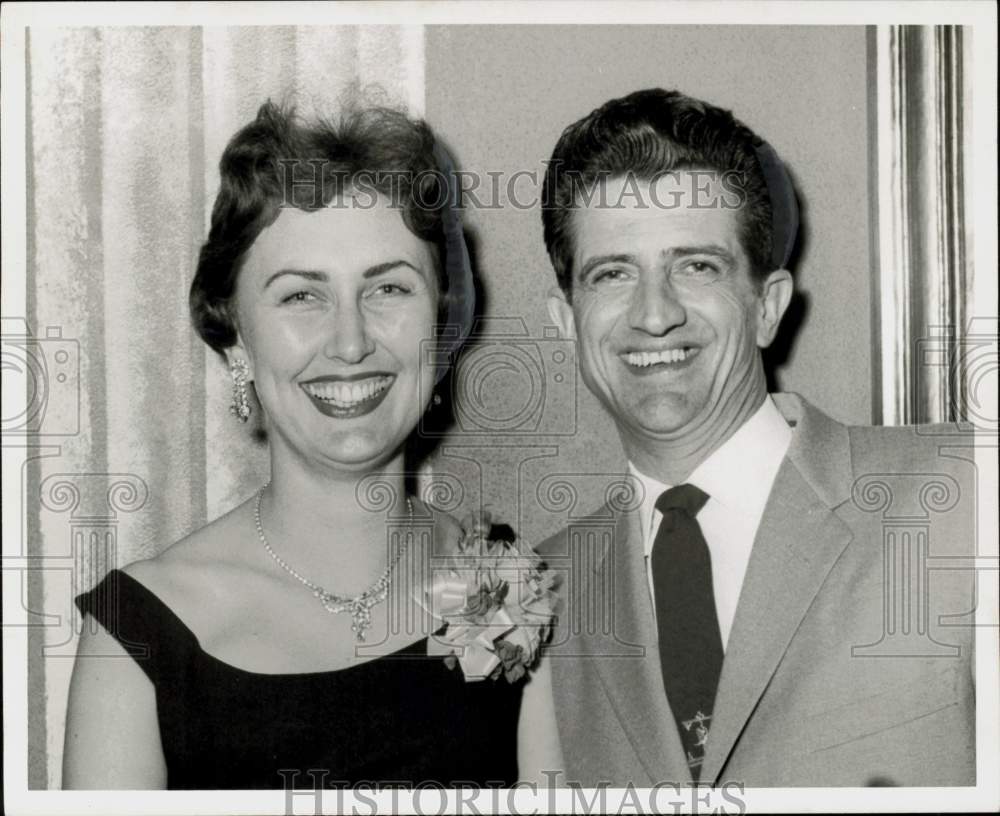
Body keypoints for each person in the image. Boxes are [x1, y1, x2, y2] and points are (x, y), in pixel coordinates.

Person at [62, 100, 561, 789]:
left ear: (440, 328)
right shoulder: (139, 636)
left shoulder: (509, 585)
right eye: (301, 297)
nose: (351, 342)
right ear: (234, 335)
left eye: (388, 287)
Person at [538, 88, 975, 787]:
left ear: (766, 305)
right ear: (567, 321)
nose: (654, 315)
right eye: (613, 273)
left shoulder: (962, 497)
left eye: (696, 266)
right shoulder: (542, 593)